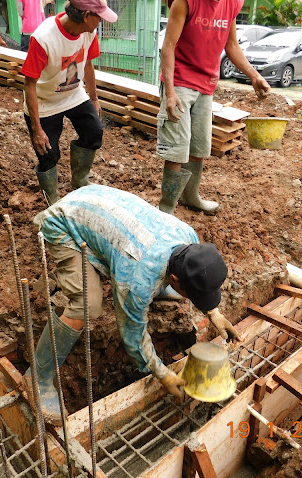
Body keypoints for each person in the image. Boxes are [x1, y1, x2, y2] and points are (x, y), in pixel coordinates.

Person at [27, 185, 241, 424]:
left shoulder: (188, 236)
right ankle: (38, 377)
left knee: (150, 287)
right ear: (174, 279)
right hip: (66, 221)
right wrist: (161, 373)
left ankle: (159, 289)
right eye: (194, 295)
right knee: (88, 304)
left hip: (97, 202)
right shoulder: (136, 279)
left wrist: (214, 312)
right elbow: (132, 332)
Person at [157, 0, 271, 215]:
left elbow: (232, 46)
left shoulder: (233, 3)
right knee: (176, 149)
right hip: (179, 81)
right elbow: (168, 47)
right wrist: (170, 92)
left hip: (206, 84)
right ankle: (166, 209)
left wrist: (254, 76)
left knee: (199, 146)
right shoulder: (185, 2)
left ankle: (191, 197)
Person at [21, 0, 117, 206]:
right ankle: (53, 200)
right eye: (99, 16)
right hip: (44, 100)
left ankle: (80, 180)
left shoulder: (89, 32)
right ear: (86, 16)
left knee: (94, 132)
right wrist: (37, 128)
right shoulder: (44, 37)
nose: (100, 21)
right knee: (47, 153)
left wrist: (93, 98)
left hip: (74, 94)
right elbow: (29, 84)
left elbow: (88, 64)